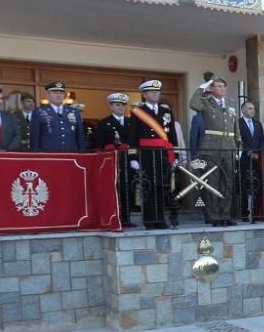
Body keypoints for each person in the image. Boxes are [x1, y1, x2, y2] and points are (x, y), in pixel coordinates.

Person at [189, 77, 240, 227]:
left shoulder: (231, 104)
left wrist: (237, 145)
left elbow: (235, 126)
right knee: (212, 182)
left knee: (228, 182)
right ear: (212, 89)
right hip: (212, 148)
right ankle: (214, 216)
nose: (222, 88)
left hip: (229, 146)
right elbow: (193, 103)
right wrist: (202, 88)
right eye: (218, 86)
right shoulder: (205, 102)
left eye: (223, 86)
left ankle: (225, 214)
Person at [128, 80, 175, 229]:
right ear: (144, 94)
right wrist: (133, 157)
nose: (155, 94)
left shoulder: (166, 112)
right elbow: (132, 137)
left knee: (162, 186)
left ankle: (160, 219)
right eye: (152, 92)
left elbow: (172, 136)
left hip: (162, 154)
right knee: (148, 186)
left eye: (157, 91)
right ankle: (149, 220)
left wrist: (175, 156)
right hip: (146, 154)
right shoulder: (137, 112)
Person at [94, 92, 137, 227]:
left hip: (127, 159)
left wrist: (134, 158)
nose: (121, 108)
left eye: (123, 106)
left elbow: (134, 142)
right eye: (117, 105)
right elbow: (99, 144)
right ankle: (113, 216)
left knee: (128, 187)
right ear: (111, 107)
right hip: (112, 160)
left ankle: (126, 217)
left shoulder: (131, 122)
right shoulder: (104, 123)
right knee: (114, 189)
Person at [30, 81, 84, 152]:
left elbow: (80, 135)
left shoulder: (74, 112)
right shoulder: (39, 112)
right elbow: (35, 137)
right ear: (48, 94)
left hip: (71, 153)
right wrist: (35, 155)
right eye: (55, 93)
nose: (58, 95)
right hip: (48, 154)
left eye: (61, 93)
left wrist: (82, 153)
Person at [238, 101, 264, 219]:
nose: (252, 110)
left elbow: (262, 140)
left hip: (257, 158)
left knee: (257, 184)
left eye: (253, 108)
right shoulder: (238, 123)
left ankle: (256, 212)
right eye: (249, 108)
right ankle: (244, 213)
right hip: (244, 157)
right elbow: (238, 140)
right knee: (244, 184)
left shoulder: (257, 124)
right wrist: (248, 152)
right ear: (243, 110)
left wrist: (258, 153)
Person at [0, 86, 22, 151]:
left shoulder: (10, 116)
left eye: (1, 99)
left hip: (7, 155)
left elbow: (17, 136)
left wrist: (7, 150)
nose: (0, 102)